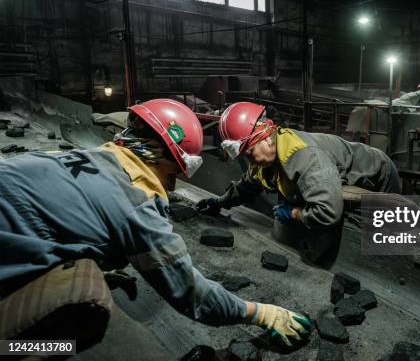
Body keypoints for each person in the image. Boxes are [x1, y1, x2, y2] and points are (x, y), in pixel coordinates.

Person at [0, 99, 311, 348]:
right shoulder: (134, 200)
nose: (170, 188)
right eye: (172, 175)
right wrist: (262, 313)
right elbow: (191, 293)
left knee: (82, 273)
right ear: (161, 157)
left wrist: (94, 260)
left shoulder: (81, 157)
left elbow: (55, 220)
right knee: (85, 307)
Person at [197, 102, 401, 265]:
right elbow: (246, 186)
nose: (250, 160)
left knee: (384, 229)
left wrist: (294, 213)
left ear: (266, 138)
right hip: (333, 173)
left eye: (249, 153)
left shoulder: (304, 158)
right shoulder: (264, 158)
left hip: (376, 173)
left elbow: (328, 212)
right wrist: (219, 202)